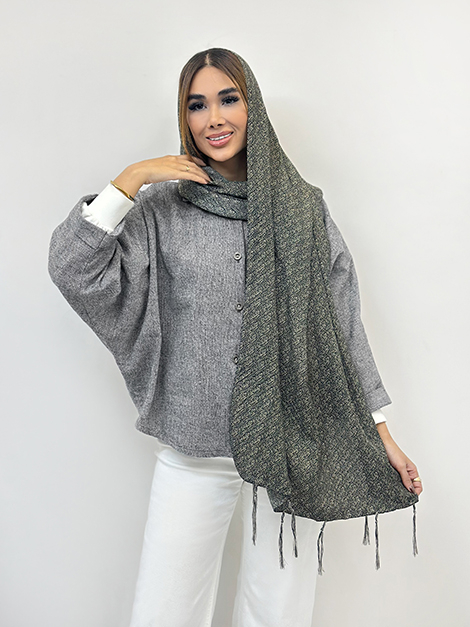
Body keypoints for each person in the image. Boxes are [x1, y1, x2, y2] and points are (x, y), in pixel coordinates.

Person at [49, 48, 423, 627]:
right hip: (193, 448)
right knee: (164, 611)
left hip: (292, 443)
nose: (214, 118)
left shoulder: (302, 209)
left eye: (229, 99)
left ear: (254, 107)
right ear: (184, 116)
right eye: (197, 105)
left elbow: (342, 326)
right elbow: (74, 267)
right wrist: (131, 179)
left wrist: (381, 433)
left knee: (278, 613)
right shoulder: (161, 209)